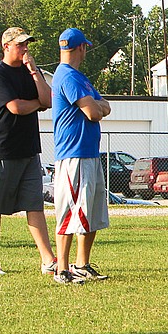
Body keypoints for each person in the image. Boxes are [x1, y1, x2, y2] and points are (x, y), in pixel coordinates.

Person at [0, 27, 56, 277]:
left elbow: (48, 100)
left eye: (27, 45)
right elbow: (15, 107)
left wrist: (34, 71)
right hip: (2, 150)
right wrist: (36, 104)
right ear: (6, 46)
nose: (25, 49)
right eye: (20, 45)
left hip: (29, 150)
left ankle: (47, 259)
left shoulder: (28, 72)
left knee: (34, 205)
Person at [52, 28, 111, 284]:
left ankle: (82, 264)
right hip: (73, 153)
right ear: (81, 48)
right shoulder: (67, 76)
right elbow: (95, 112)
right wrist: (95, 106)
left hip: (88, 152)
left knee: (91, 211)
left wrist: (96, 105)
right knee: (69, 212)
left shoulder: (79, 77)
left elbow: (104, 105)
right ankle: (62, 269)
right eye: (85, 47)